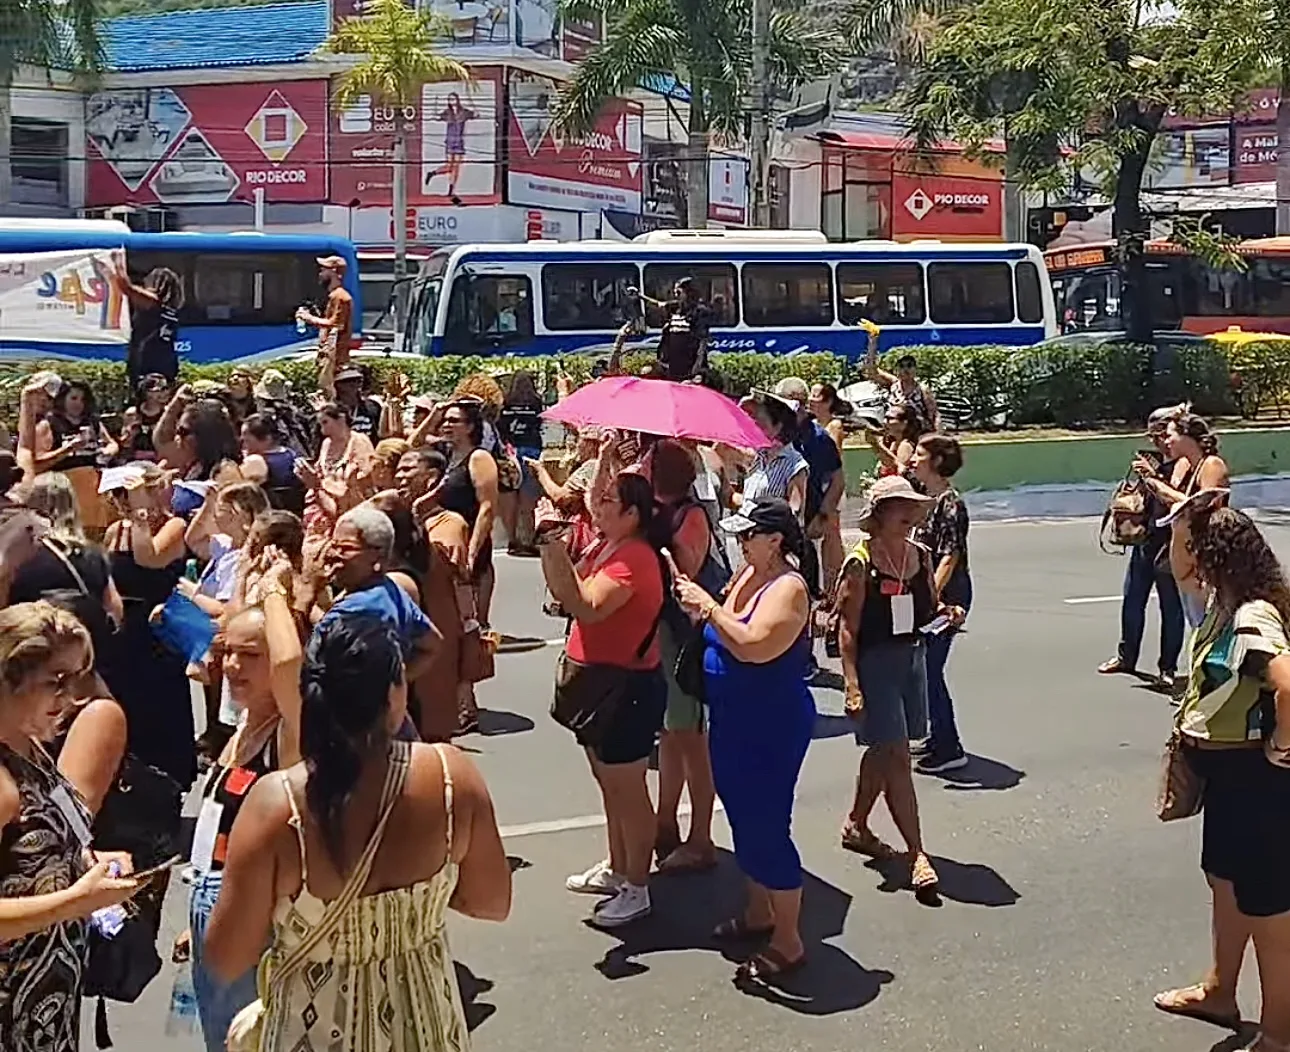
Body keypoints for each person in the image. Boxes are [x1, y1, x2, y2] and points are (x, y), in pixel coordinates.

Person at [204, 614, 511, 1052]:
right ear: (394, 695)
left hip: (307, 1032)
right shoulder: (450, 777)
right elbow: (492, 902)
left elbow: (226, 956)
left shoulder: (277, 805)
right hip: (425, 1029)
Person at [1153, 505, 1290, 1052]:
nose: (1178, 555)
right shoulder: (1221, 603)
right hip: (1229, 778)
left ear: (1214, 556)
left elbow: (1288, 684)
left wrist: (1283, 743)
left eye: (1188, 544)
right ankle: (1220, 991)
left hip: (1255, 781)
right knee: (1226, 884)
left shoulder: (1252, 616)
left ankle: (1279, 1033)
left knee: (1269, 911)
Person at [670, 499, 815, 978]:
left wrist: (709, 608)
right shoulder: (747, 576)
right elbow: (723, 632)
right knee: (740, 815)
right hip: (733, 718)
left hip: (768, 723)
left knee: (768, 827)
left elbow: (754, 646)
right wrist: (699, 603)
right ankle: (758, 911)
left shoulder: (788, 588)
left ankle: (789, 939)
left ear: (775, 540)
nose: (738, 543)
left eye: (747, 536)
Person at [0, 602, 144, 1052]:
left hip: (46, 1006)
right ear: (9, 678)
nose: (72, 698)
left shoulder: (31, 749)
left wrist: (85, 863)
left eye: (77, 680)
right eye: (56, 682)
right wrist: (74, 901)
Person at [540, 469, 666, 927]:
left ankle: (638, 885)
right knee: (608, 782)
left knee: (627, 789)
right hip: (599, 684)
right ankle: (618, 867)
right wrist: (550, 547)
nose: (597, 503)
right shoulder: (606, 544)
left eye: (609, 498)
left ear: (632, 513)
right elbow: (565, 592)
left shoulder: (634, 556)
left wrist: (552, 547)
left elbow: (587, 608)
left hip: (625, 688)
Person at [187, 574, 302, 1052]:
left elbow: (292, 663)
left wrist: (276, 593)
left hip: (255, 917)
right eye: (227, 651)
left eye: (251, 655)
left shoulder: (289, 734)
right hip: (210, 903)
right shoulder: (242, 728)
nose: (232, 665)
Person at [837, 475, 964, 895]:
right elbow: (847, 630)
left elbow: (930, 608)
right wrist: (852, 686)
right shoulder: (860, 562)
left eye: (912, 506)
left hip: (912, 661)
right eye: (898, 506)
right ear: (879, 514)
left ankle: (856, 825)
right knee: (897, 758)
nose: (909, 514)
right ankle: (918, 854)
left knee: (884, 749)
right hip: (875, 666)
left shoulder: (920, 556)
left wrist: (949, 614)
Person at [100, 466, 196, 788]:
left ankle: (168, 779)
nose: (122, 503)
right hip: (124, 629)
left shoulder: (175, 526)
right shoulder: (117, 530)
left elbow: (148, 557)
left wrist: (141, 514)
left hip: (158, 628)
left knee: (160, 702)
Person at [649, 440, 719, 873]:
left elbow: (687, 575)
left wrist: (663, 555)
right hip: (660, 632)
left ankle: (701, 837)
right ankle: (665, 819)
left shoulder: (690, 515)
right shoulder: (659, 510)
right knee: (670, 735)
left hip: (683, 636)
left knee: (692, 740)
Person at [1098, 405, 1188, 688]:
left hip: (1171, 543)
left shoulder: (1185, 462)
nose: (1158, 441)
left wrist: (1152, 475)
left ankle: (1168, 667)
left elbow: (1176, 500)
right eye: (1154, 436)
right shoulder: (1154, 458)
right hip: (1145, 540)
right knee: (1132, 601)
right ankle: (1127, 657)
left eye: (1162, 434)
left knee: (1170, 608)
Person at [315, 507, 442, 691]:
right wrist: (396, 681)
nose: (333, 554)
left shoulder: (369, 603)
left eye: (346, 548)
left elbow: (324, 637)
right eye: (333, 545)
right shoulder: (390, 590)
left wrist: (304, 591)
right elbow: (432, 644)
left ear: (377, 556)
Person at [8, 472, 124, 667]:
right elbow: (115, 611)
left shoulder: (21, 553)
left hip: (31, 656)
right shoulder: (93, 554)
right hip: (84, 654)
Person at [909, 434, 973, 774]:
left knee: (930, 670)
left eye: (919, 453)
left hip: (947, 598)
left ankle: (950, 748)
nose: (913, 458)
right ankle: (937, 736)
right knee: (922, 669)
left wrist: (930, 598)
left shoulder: (950, 503)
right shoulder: (924, 497)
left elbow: (950, 556)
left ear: (936, 461)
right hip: (928, 593)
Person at [437, 400, 500, 627]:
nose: (445, 425)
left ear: (470, 427)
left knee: (473, 623)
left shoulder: (479, 458)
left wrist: (472, 552)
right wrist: (435, 412)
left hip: (471, 538)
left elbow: (487, 507)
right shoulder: (444, 456)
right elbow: (409, 444)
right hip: (445, 541)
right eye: (444, 420)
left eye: (453, 421)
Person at [35, 381, 116, 537]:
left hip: (95, 486)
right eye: (74, 398)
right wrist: (68, 449)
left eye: (83, 399)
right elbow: (37, 463)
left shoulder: (92, 422)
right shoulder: (49, 424)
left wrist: (108, 451)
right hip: (66, 488)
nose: (79, 404)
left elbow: (111, 443)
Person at [297, 402, 374, 562]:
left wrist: (323, 485)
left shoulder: (359, 441)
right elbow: (320, 472)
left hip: (348, 507)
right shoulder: (326, 444)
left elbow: (364, 477)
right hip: (319, 509)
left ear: (341, 420)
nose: (321, 427)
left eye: (325, 422)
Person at [109, 254, 183, 388]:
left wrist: (117, 261)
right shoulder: (171, 310)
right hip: (166, 363)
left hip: (147, 364)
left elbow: (126, 287)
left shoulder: (153, 303)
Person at [735, 393, 808, 518]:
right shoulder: (759, 458)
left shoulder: (794, 464)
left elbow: (794, 510)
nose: (755, 428)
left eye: (761, 424)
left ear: (778, 426)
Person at [497, 371, 545, 556]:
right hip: (530, 450)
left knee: (511, 499)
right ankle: (528, 538)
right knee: (528, 498)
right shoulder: (536, 402)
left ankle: (513, 539)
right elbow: (539, 424)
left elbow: (501, 428)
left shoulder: (506, 402)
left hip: (511, 451)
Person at [296, 256, 354, 397]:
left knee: (328, 393)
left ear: (334, 271)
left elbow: (336, 324)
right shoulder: (334, 296)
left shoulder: (340, 297)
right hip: (328, 355)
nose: (320, 273)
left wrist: (308, 318)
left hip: (334, 358)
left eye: (323, 269)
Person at [637, 277, 713, 381]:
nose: (676, 295)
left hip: (691, 365)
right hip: (674, 365)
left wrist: (697, 368)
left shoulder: (699, 312)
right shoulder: (675, 307)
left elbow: (702, 342)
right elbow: (658, 304)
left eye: (678, 292)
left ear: (688, 293)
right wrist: (639, 296)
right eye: (674, 292)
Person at [864, 330, 939, 432]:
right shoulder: (894, 384)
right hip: (894, 431)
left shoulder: (922, 390)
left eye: (909, 365)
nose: (906, 369)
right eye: (902, 366)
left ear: (915, 369)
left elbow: (934, 415)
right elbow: (871, 370)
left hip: (916, 433)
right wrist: (872, 343)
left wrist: (936, 435)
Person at [240, 413, 306, 516]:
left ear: (267, 439)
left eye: (247, 441)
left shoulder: (255, 462)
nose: (243, 445)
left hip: (268, 514)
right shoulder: (292, 454)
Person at [120, 374, 172, 463]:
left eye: (167, 388)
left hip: (160, 460)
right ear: (147, 392)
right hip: (133, 460)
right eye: (162, 389)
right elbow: (125, 443)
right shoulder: (132, 413)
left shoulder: (168, 414)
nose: (166, 392)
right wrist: (131, 433)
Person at [333, 366, 383, 445]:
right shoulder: (332, 410)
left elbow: (379, 434)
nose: (355, 384)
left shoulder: (373, 407)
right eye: (349, 381)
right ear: (338, 385)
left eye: (358, 380)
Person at [869, 404, 922, 478]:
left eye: (889, 418)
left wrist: (877, 445)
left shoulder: (906, 445)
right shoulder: (894, 443)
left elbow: (898, 470)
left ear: (904, 422)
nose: (884, 422)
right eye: (884, 417)